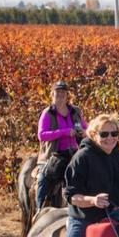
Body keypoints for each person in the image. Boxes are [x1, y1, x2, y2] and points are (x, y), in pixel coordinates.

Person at [36, 81, 87, 209]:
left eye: (63, 95)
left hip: (75, 152)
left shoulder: (75, 111)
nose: (60, 98)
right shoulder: (47, 113)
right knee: (44, 178)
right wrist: (63, 132)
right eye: (57, 94)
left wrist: (83, 132)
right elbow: (41, 135)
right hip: (55, 154)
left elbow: (86, 128)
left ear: (67, 96)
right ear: (52, 96)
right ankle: (39, 208)